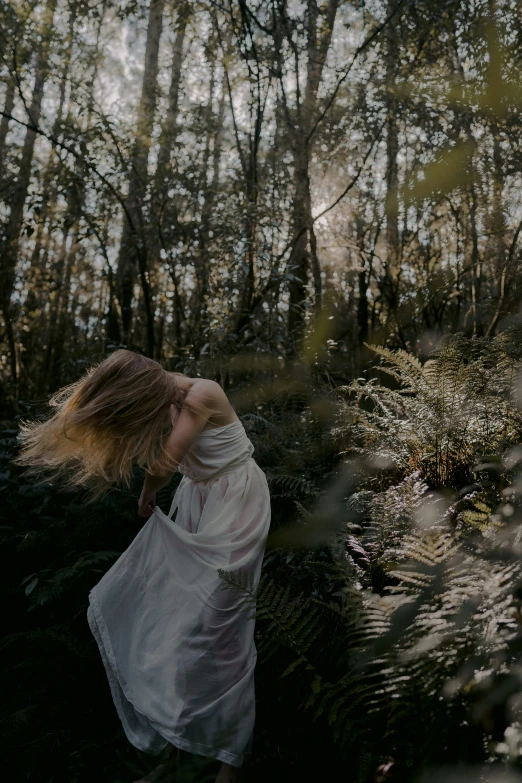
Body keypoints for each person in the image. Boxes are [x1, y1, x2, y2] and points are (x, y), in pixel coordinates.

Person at [16, 349, 272, 783]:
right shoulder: (168, 399)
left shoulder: (201, 394)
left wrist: (146, 493)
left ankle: (230, 763)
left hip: (236, 505)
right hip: (198, 502)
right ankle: (177, 750)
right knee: (177, 622)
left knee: (221, 628)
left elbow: (165, 464)